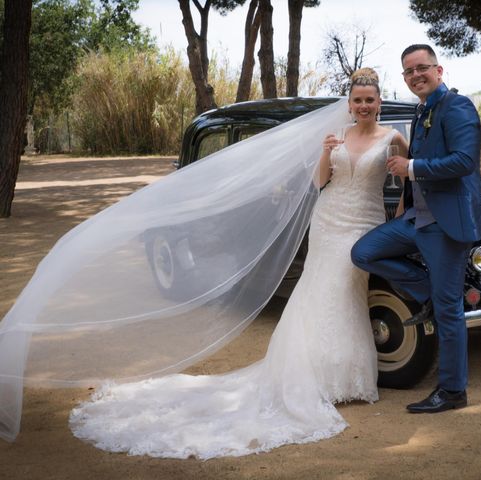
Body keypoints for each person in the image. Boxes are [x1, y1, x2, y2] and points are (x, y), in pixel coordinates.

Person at [66, 68, 409, 459]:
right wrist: (326, 151)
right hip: (330, 220)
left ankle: (345, 374)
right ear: (349, 104)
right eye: (358, 100)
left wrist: (399, 217)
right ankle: (319, 377)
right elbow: (319, 183)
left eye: (370, 100)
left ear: (379, 102)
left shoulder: (394, 138)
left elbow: (405, 182)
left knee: (349, 291)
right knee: (322, 291)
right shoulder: (338, 135)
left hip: (365, 221)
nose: (364, 106)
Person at [351, 45, 481, 414]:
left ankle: (453, 391)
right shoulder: (423, 109)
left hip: (444, 224)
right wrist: (407, 196)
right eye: (408, 71)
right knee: (362, 253)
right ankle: (428, 294)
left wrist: (410, 169)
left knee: (450, 312)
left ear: (438, 70)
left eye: (421, 68)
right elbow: (419, 160)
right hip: (416, 219)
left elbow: (463, 161)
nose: (415, 75)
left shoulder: (457, 106)